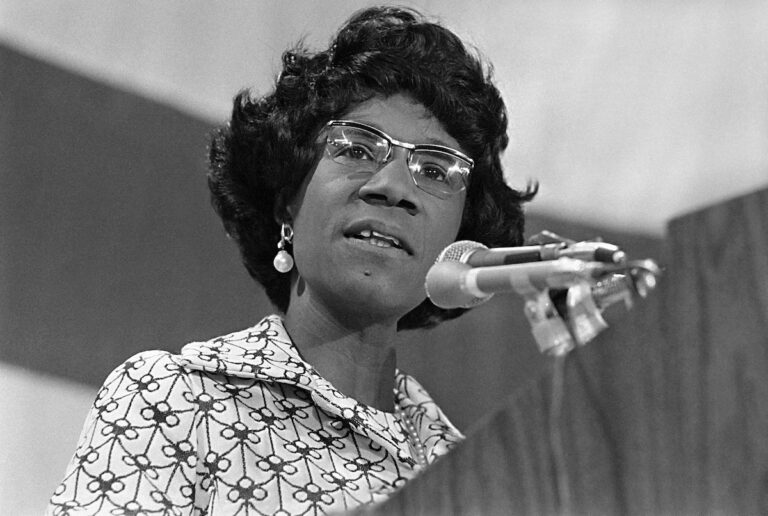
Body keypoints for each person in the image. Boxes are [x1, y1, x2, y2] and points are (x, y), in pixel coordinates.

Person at [48, 6, 536, 515]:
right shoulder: (174, 399)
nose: (394, 188)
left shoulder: (479, 478)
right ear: (287, 198)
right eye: (357, 148)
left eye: (436, 170)